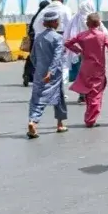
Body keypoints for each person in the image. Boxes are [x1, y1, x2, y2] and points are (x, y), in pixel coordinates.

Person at [64, 12, 108, 127]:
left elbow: (67, 43)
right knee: (96, 94)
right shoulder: (102, 36)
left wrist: (79, 51)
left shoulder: (81, 35)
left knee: (88, 92)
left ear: (87, 23)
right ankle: (90, 119)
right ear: (99, 24)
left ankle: (89, 116)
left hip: (85, 67)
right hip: (98, 68)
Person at [27, 8, 69, 138]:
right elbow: (57, 57)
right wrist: (50, 72)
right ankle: (34, 122)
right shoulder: (58, 38)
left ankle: (60, 123)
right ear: (55, 22)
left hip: (39, 72)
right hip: (53, 74)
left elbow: (32, 56)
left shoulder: (39, 37)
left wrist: (39, 68)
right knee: (43, 98)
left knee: (45, 96)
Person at [22, 0, 51, 86]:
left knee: (32, 57)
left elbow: (31, 28)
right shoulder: (44, 16)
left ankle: (27, 74)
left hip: (33, 39)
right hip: (41, 40)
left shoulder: (36, 16)